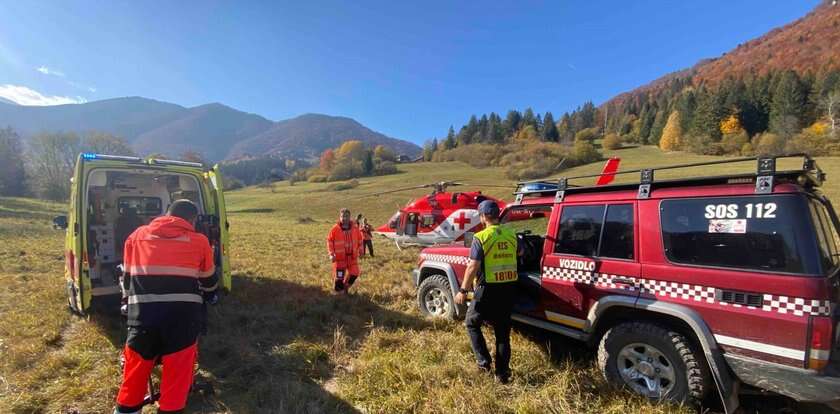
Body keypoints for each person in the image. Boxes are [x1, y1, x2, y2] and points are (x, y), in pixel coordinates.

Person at [114, 199, 217, 414]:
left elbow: (127, 278)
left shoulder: (136, 236)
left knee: (134, 374)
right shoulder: (199, 241)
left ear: (166, 214)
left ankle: (125, 410)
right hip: (182, 319)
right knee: (177, 377)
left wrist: (128, 304)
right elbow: (208, 281)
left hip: (142, 316)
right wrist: (212, 295)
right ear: (193, 219)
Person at [454, 200, 518, 384]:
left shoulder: (481, 237)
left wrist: (463, 290)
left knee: (471, 323)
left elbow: (473, 265)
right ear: (498, 215)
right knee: (503, 333)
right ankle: (503, 374)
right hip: (509, 288)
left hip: (488, 288)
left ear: (483, 217)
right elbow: (520, 253)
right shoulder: (511, 234)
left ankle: (484, 363)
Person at [327, 208, 363, 293]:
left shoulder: (355, 228)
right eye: (342, 216)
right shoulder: (335, 229)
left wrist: (361, 250)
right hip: (340, 259)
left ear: (349, 217)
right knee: (339, 277)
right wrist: (331, 254)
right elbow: (329, 241)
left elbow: (360, 239)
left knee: (355, 273)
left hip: (352, 258)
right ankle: (339, 291)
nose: (344, 218)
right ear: (340, 217)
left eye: (346, 216)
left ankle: (346, 287)